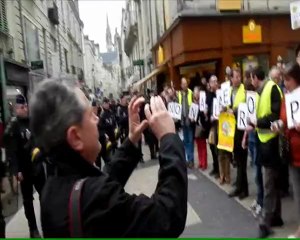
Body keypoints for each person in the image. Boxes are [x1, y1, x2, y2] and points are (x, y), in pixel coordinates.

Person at [29, 78, 187, 237]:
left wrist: (131, 140)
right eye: (91, 114)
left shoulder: (51, 189)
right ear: (75, 137)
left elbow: (101, 180)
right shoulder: (96, 198)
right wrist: (168, 137)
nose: (97, 119)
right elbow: (167, 216)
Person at [248, 66, 283, 238]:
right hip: (265, 142)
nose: (251, 82)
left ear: (255, 77)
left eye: (251, 78)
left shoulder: (271, 88)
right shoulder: (261, 91)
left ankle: (266, 222)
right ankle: (276, 216)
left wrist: (257, 122)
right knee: (272, 182)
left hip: (272, 142)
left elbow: (276, 116)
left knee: (269, 183)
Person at [3, 94, 40, 238]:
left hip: (37, 166)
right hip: (24, 170)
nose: (24, 109)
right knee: (28, 200)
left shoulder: (33, 122)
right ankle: (33, 229)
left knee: (45, 194)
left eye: (25, 106)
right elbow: (11, 151)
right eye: (21, 107)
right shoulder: (13, 125)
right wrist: (16, 170)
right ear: (16, 109)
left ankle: (47, 222)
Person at [271, 62, 300, 238]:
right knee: (298, 194)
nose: (285, 84)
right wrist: (278, 125)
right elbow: (284, 120)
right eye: (283, 80)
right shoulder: (286, 98)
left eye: (287, 80)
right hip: (292, 154)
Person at [227, 68, 248, 200]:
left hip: (241, 129)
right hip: (231, 129)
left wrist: (233, 111)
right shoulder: (229, 91)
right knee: (238, 160)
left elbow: (245, 108)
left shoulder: (244, 90)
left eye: (239, 76)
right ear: (231, 78)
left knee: (242, 160)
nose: (237, 78)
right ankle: (240, 187)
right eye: (235, 76)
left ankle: (243, 189)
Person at [178, 77, 194, 168]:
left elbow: (194, 105)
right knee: (186, 141)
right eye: (182, 84)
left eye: (185, 83)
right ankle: (188, 159)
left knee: (190, 141)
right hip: (183, 121)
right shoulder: (179, 94)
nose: (184, 85)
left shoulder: (191, 93)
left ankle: (191, 160)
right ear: (181, 85)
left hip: (189, 121)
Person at [207, 75, 219, 178]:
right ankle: (215, 167)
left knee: (218, 147)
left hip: (218, 124)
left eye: (216, 81)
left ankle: (220, 170)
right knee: (212, 146)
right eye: (212, 81)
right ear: (209, 83)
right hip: (211, 125)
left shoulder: (220, 94)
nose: (215, 83)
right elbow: (207, 106)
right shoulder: (209, 94)